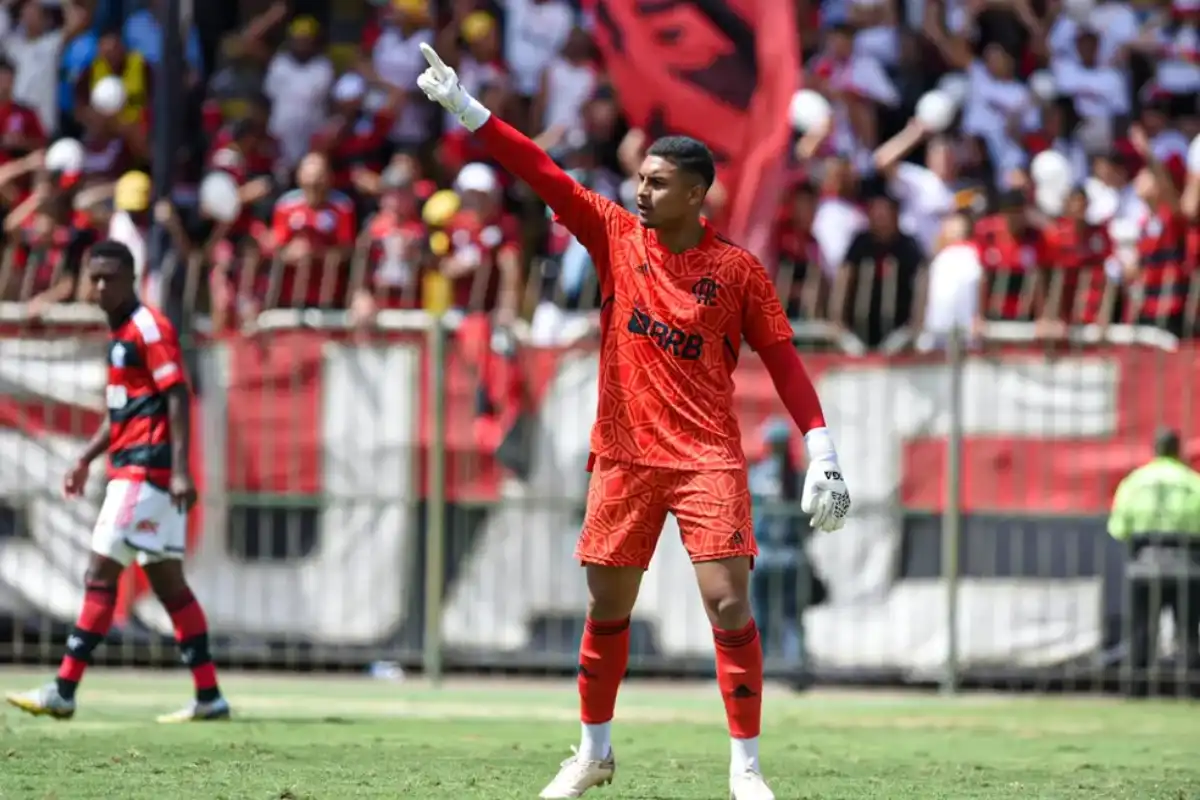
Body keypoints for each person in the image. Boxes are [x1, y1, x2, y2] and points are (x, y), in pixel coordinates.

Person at [417, 44, 852, 800]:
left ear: (696, 195)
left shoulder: (739, 271)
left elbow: (783, 361)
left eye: (657, 183)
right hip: (622, 456)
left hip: (707, 456)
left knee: (727, 601)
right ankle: (593, 753)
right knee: (606, 606)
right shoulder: (616, 236)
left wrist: (823, 449)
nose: (640, 191)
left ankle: (746, 769)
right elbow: (542, 175)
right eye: (640, 179)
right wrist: (468, 110)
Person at [5, 240, 231, 724]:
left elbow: (178, 396)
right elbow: (125, 411)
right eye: (95, 277)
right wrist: (86, 457)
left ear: (131, 278)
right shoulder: (120, 332)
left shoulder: (149, 327)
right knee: (171, 588)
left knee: (98, 575)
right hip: (136, 469)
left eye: (110, 277)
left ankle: (63, 689)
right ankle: (209, 695)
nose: (101, 286)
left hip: (144, 474)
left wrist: (182, 471)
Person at [1108, 428, 1200, 688]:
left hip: (1145, 564)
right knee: (1188, 630)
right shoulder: (1192, 482)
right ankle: (1191, 687)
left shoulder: (1135, 482)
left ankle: (1137, 686)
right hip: (1187, 565)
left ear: (1155, 449)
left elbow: (1118, 528)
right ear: (1178, 450)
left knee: (1141, 628)